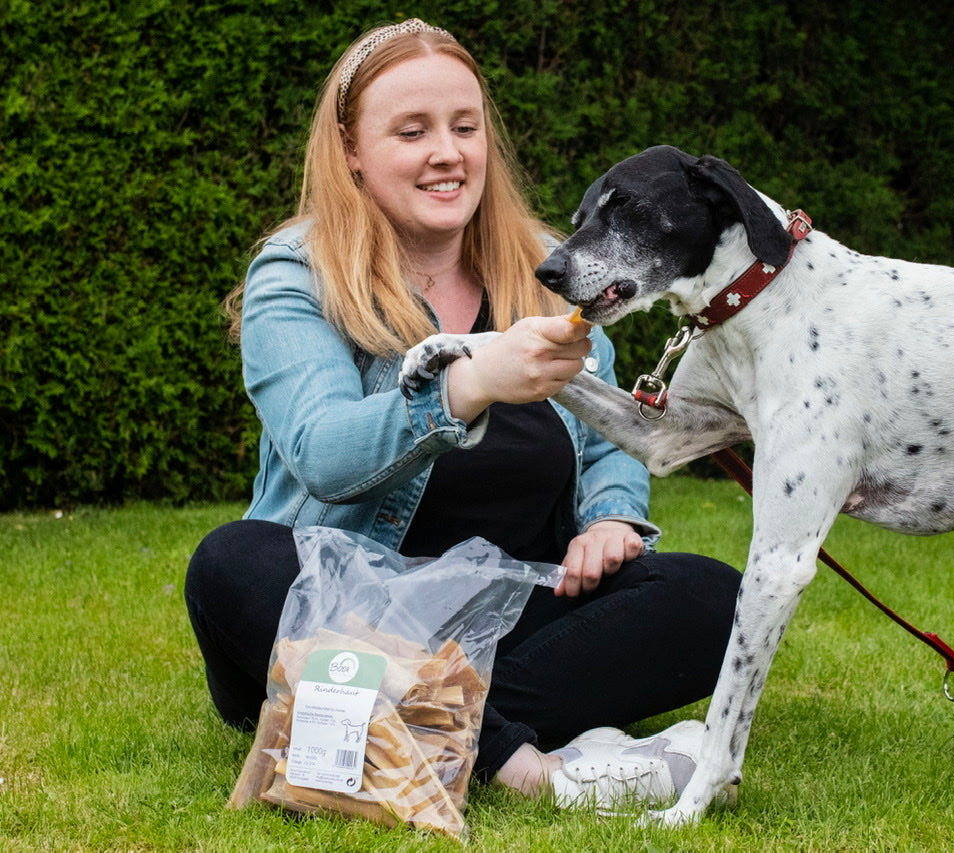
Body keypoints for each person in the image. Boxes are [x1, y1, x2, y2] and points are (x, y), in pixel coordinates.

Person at [183, 18, 741, 811]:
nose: (447, 152)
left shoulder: (547, 264)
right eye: (412, 131)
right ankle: (531, 768)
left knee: (710, 596)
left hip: (504, 608)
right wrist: (468, 382)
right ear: (350, 150)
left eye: (464, 127)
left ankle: (360, 731)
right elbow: (323, 452)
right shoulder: (298, 274)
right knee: (231, 561)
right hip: (342, 616)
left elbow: (607, 435)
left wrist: (612, 518)